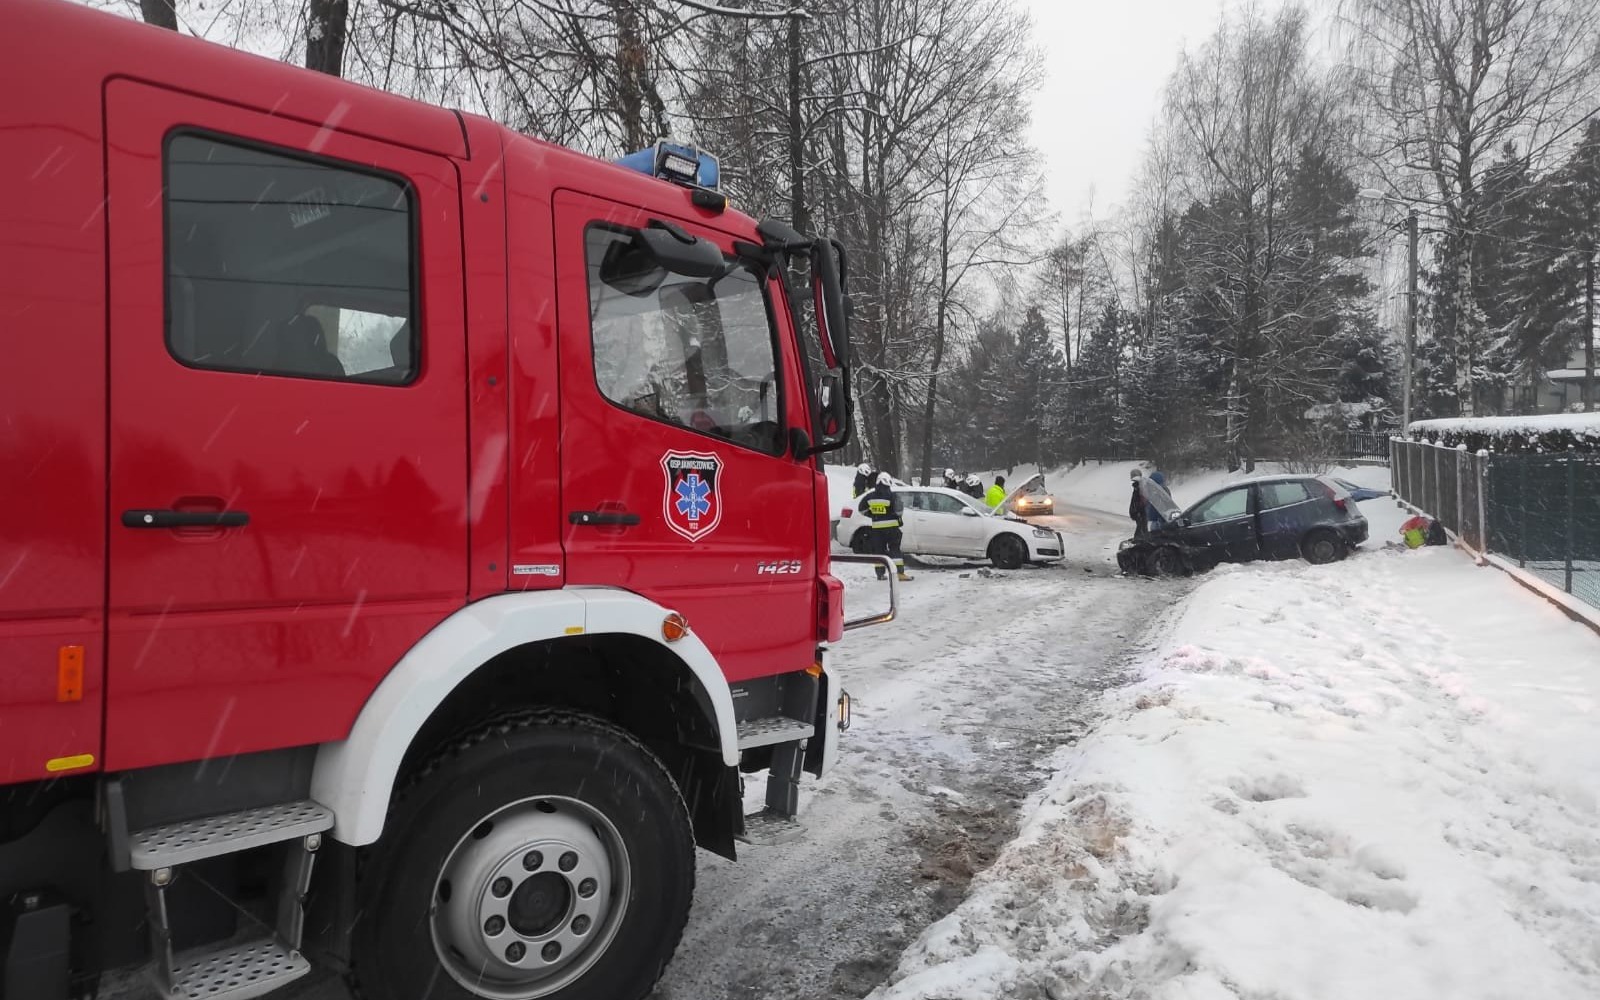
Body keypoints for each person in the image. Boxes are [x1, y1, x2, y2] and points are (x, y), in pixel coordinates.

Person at [859, 472, 913, 582]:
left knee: (879, 551)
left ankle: (880, 574)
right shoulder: (892, 496)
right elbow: (899, 511)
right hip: (891, 529)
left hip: (877, 530)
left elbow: (861, 509)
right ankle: (899, 573)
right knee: (894, 550)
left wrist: (872, 515)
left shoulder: (870, 496)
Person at [1129, 469, 1148, 539]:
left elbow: (1143, 500)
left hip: (1140, 512)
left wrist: (1138, 510)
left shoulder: (1141, 486)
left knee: (1141, 529)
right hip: (1139, 512)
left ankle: (1140, 540)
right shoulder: (1137, 486)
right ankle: (1140, 539)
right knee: (1142, 528)